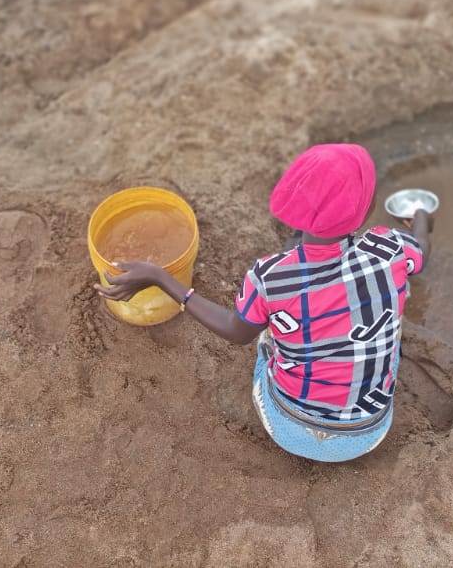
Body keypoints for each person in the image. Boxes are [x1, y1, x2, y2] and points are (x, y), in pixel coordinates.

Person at [94, 144, 432, 462]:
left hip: (287, 426)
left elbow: (236, 332)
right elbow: (422, 250)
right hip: (366, 433)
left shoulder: (270, 277)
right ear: (368, 209)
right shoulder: (390, 248)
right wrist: (421, 218)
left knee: (265, 334)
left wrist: (161, 278)